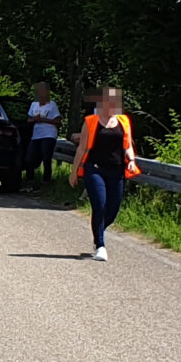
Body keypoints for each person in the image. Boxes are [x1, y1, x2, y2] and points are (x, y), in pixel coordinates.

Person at [69, 85, 141, 259]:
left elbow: (128, 145)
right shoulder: (91, 121)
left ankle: (98, 230)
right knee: (99, 205)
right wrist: (73, 172)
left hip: (117, 171)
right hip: (94, 169)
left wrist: (131, 160)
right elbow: (81, 149)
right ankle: (100, 245)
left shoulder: (124, 121)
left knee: (113, 209)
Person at [22, 82, 61, 190]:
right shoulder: (34, 105)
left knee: (46, 158)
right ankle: (30, 181)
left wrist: (43, 119)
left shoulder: (52, 105)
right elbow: (28, 119)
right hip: (36, 135)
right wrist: (34, 119)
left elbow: (58, 121)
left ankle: (46, 182)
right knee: (29, 158)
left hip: (48, 134)